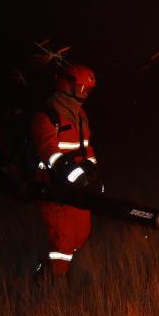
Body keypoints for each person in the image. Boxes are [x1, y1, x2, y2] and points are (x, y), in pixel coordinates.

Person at [32, 63, 101, 276]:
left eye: (88, 91)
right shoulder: (46, 115)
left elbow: (86, 146)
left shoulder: (80, 115)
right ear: (66, 86)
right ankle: (53, 283)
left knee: (81, 233)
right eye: (81, 89)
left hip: (77, 185)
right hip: (53, 186)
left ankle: (57, 270)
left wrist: (94, 174)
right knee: (63, 239)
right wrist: (70, 172)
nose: (84, 95)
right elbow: (48, 150)